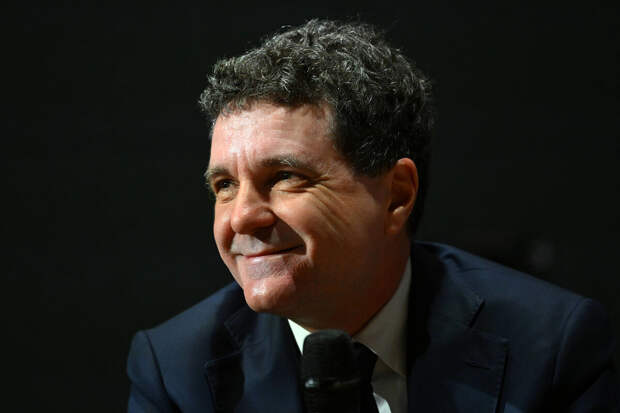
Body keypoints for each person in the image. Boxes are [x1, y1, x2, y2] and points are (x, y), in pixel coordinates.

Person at [126, 19, 619, 412]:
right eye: (225, 186)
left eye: (285, 176)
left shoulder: (554, 349)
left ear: (396, 196)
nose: (241, 218)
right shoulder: (176, 371)